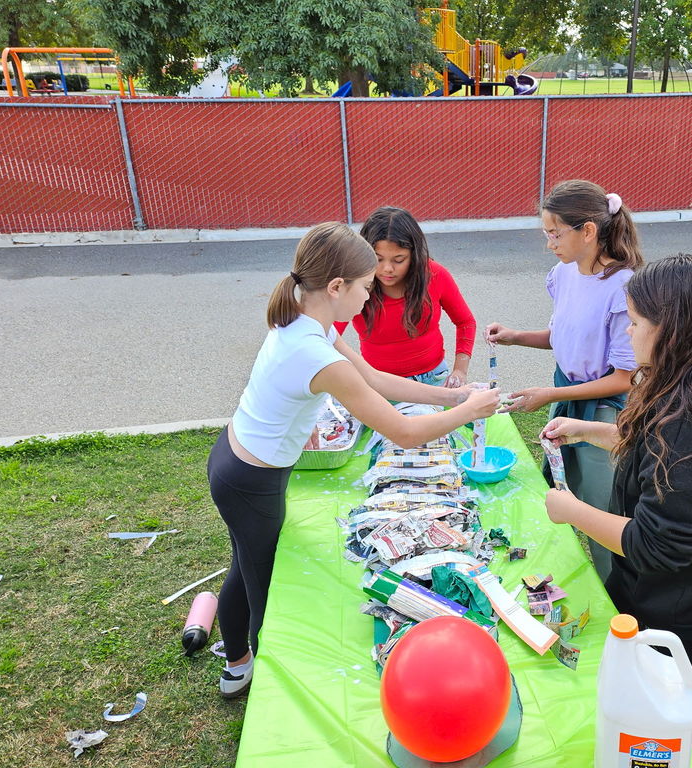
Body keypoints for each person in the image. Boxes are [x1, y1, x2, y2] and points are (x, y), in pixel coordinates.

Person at [207, 222, 499, 698]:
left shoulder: (309, 320)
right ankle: (252, 676)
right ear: (338, 287)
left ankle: (237, 658)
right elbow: (402, 432)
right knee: (263, 587)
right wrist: (468, 410)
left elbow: (378, 379)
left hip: (245, 462)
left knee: (247, 563)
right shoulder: (316, 354)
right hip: (249, 478)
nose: (370, 296)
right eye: (365, 287)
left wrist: (453, 398)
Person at [541, 255, 692, 751]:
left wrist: (572, 510)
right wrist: (590, 430)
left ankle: (667, 752)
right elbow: (659, 457)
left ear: (672, 330)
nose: (629, 336)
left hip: (687, 599)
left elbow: (657, 545)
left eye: (635, 324)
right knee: (678, 679)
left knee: (666, 699)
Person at [486, 179, 643, 580]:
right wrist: (516, 336)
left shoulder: (622, 286)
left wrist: (550, 393)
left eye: (555, 234)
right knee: (561, 492)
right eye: (546, 234)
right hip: (568, 397)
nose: (550, 243)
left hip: (603, 412)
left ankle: (619, 596)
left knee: (602, 511)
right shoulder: (564, 272)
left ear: (587, 231)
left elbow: (623, 378)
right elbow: (565, 336)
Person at [335, 206, 475, 387]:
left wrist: (460, 371)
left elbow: (465, 322)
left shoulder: (435, 274)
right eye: (378, 259)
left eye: (398, 259)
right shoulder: (355, 283)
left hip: (434, 379)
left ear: (414, 255)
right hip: (380, 384)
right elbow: (328, 332)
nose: (387, 269)